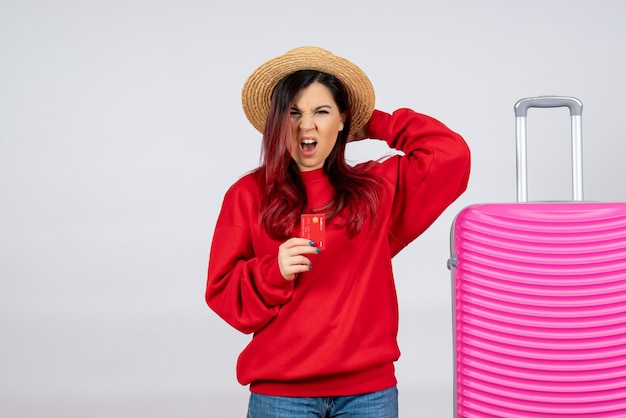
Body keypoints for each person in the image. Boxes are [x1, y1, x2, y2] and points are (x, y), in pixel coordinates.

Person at [205, 46, 471, 417]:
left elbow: (450, 154)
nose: (306, 125)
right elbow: (223, 294)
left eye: (322, 112)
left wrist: (374, 122)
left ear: (343, 120)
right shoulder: (247, 195)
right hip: (282, 396)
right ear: (278, 121)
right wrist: (272, 271)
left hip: (368, 395)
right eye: (293, 113)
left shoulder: (375, 190)